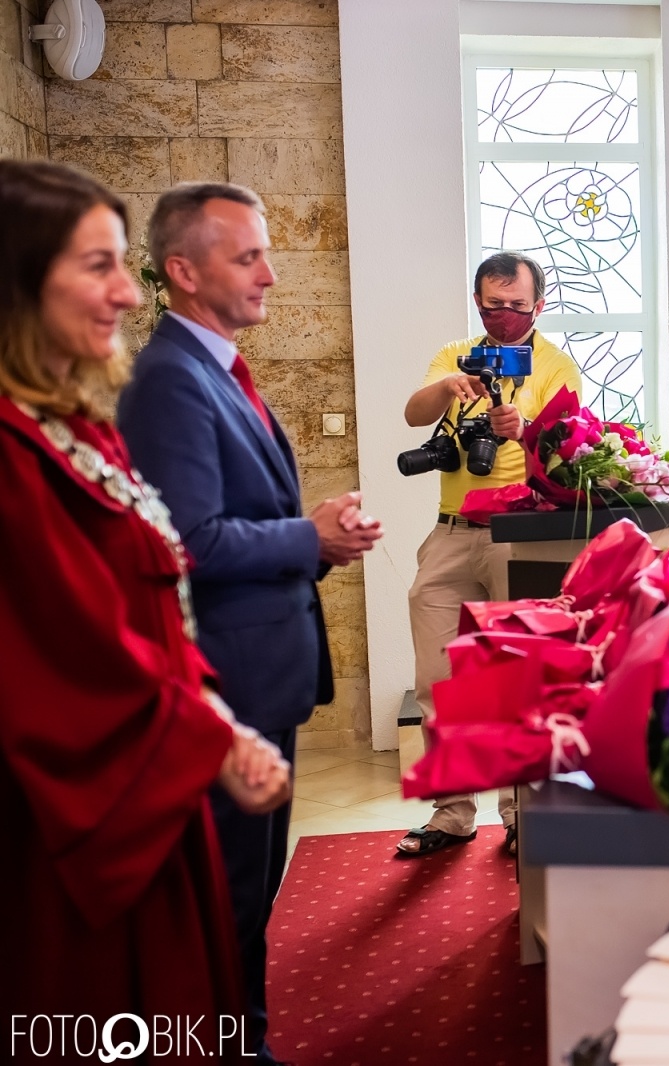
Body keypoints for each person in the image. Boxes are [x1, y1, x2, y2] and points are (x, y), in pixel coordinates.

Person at [0, 160, 292, 1056]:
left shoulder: (77, 424)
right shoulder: (12, 456)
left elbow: (155, 593)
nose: (128, 293)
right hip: (81, 822)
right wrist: (209, 735)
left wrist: (210, 717)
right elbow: (64, 660)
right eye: (99, 266)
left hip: (176, 750)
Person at [118, 181, 382, 1063]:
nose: (271, 273)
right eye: (248, 256)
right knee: (227, 896)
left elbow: (235, 514)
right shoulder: (168, 381)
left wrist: (317, 544)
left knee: (251, 889)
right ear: (184, 271)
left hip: (260, 673)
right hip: (225, 685)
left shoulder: (215, 364)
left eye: (267, 251)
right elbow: (185, 542)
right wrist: (306, 534)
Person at [398, 251, 582, 859]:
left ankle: (522, 813)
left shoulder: (557, 366)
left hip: (522, 534)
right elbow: (413, 414)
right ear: (477, 302)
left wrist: (521, 427)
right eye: (492, 304)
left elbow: (568, 455)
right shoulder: (456, 355)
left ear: (540, 305)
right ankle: (452, 813)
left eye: (516, 306)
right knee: (438, 680)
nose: (503, 316)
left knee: (519, 680)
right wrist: (449, 386)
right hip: (451, 533)